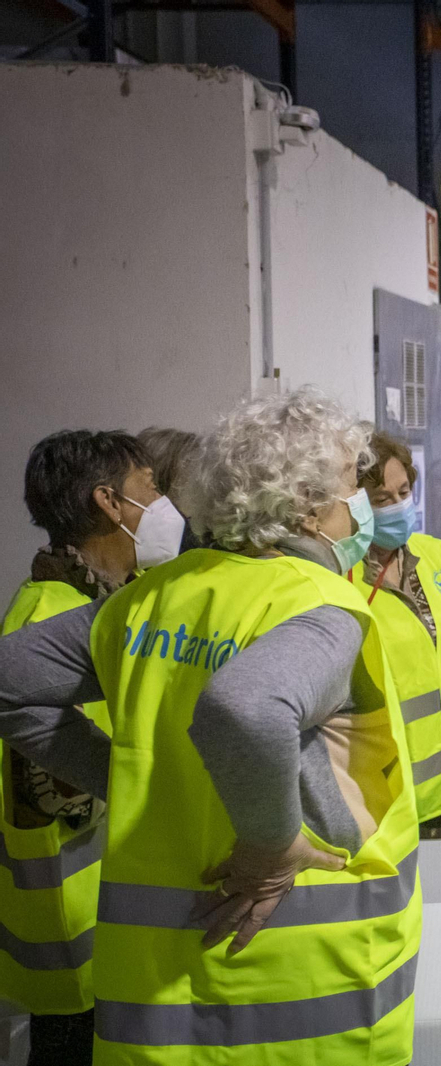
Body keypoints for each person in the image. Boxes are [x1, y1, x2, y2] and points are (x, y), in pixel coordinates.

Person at [0, 388, 422, 1066]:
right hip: (299, 990)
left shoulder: (150, 600)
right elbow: (246, 707)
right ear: (308, 506)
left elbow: (9, 685)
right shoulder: (318, 607)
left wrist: (128, 779)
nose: (360, 502)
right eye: (351, 483)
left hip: (154, 1001)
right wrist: (270, 846)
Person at [0, 430, 180, 1066]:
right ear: (109, 502)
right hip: (74, 924)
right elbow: (53, 793)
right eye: (150, 488)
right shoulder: (50, 617)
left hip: (107, 913)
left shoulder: (101, 600)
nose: (162, 503)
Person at [356, 431, 441, 839]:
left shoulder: (431, 554)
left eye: (404, 492)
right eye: (382, 499)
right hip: (387, 793)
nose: (398, 505)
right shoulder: (344, 578)